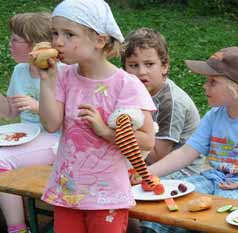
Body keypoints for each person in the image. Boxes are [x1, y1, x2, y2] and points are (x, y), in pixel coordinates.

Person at [142, 46, 238, 233]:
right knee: (172, 200)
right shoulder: (214, 115)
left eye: (213, 82)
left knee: (217, 214)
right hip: (213, 180)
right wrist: (148, 172)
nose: (205, 86)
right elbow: (187, 152)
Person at [35, 0, 157, 232]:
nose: (58, 42)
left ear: (100, 41)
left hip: (107, 195)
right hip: (68, 190)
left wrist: (105, 131)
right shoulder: (64, 76)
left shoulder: (126, 85)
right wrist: (47, 81)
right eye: (55, 33)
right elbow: (51, 124)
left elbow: (148, 140)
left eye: (69, 34)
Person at [0, 11, 59, 233]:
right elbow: (9, 112)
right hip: (27, 136)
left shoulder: (60, 71)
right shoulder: (19, 70)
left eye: (15, 40)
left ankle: (18, 229)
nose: (9, 44)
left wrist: (37, 105)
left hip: (56, 140)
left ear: (35, 45)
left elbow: (66, 121)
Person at [122, 27, 204, 179]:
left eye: (149, 64)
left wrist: (119, 136)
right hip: (142, 158)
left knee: (128, 186)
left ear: (164, 66)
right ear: (124, 69)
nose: (141, 72)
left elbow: (157, 157)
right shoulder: (129, 92)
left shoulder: (171, 102)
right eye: (133, 65)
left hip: (179, 170)